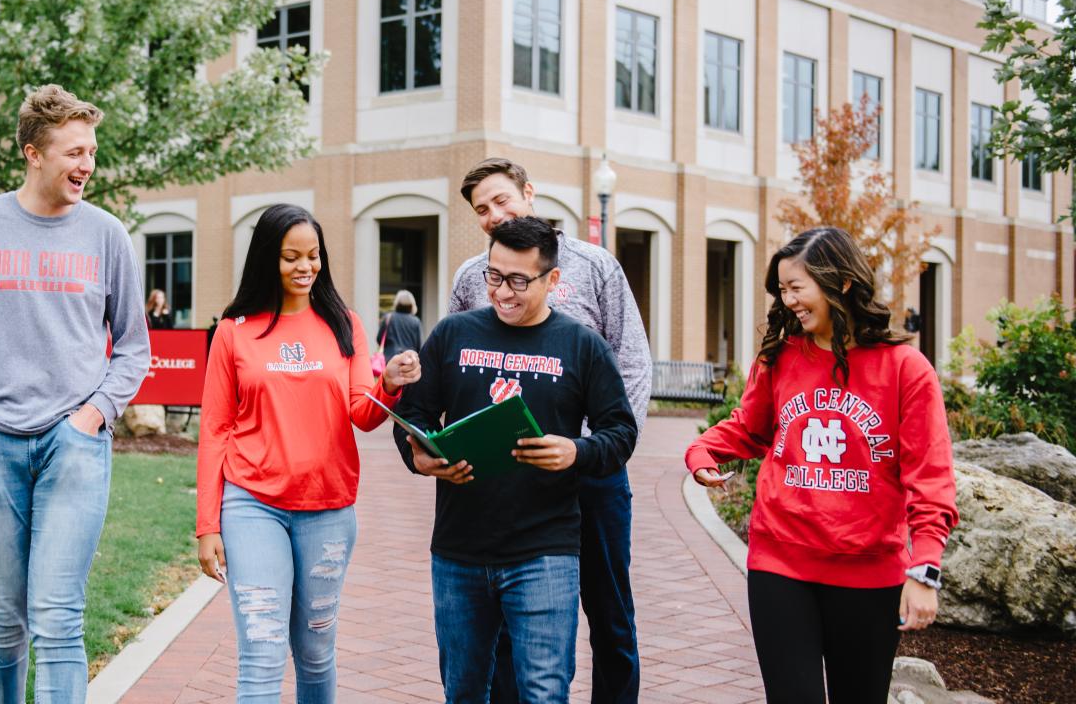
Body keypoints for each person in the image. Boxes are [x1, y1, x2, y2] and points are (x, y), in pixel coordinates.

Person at [0, 84, 150, 703]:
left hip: (74, 446)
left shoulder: (106, 235)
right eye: (73, 152)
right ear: (32, 153)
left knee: (60, 617)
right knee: (5, 620)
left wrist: (93, 416)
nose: (86, 165)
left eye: (91, 151)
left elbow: (132, 347)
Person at [686, 226, 958, 703]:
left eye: (797, 287)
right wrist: (702, 451)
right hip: (781, 562)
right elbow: (749, 427)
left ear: (842, 284)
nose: (788, 300)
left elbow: (929, 476)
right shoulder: (781, 357)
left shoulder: (904, 369)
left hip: (869, 573)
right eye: (782, 290)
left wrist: (925, 569)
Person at [395, 216, 638, 703]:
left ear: (552, 280)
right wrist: (419, 457)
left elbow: (621, 432)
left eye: (518, 280)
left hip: (545, 552)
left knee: (544, 693)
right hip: (459, 550)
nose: (503, 292)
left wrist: (576, 450)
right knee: (463, 691)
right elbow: (415, 416)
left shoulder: (581, 345)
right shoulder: (452, 334)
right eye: (494, 276)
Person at [196, 203, 421, 703]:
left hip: (328, 508)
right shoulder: (234, 331)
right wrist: (207, 525)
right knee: (261, 648)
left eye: (313, 256)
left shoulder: (345, 325)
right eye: (290, 257)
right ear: (265, 261)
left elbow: (362, 413)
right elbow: (214, 428)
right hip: (251, 503)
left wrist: (388, 384)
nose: (304, 267)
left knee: (316, 653)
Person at [447, 157, 651, 704]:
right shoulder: (472, 279)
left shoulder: (594, 265)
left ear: (528, 193)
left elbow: (631, 361)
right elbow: (457, 373)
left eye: (502, 200)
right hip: (513, 480)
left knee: (609, 612)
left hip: (591, 474)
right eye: (481, 209)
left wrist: (591, 450)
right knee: (517, 622)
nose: (493, 214)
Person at [377, 288, 423, 358]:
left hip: (390, 359)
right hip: (409, 361)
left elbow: (379, 339)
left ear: (397, 303)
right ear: (412, 305)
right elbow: (419, 346)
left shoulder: (388, 317)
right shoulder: (416, 321)